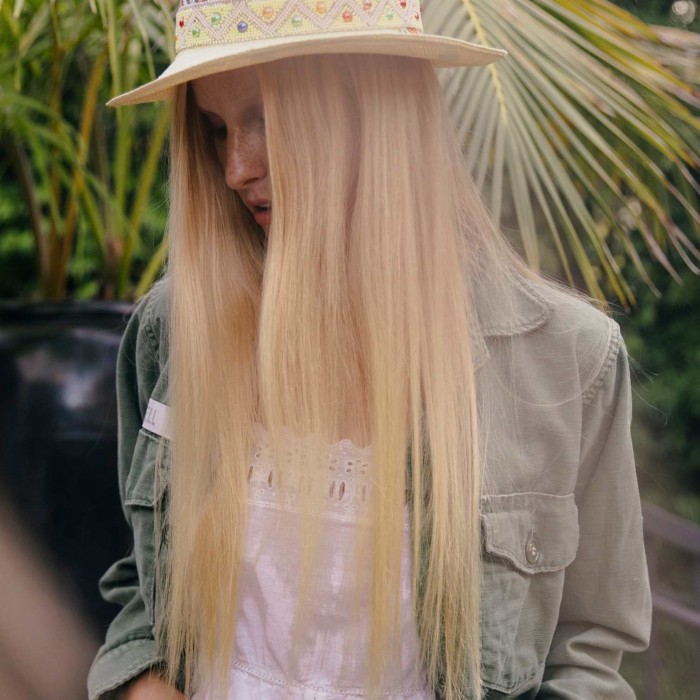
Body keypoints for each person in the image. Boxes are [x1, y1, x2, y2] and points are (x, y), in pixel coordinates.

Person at [87, 1, 652, 699]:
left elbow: (588, 656)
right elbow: (141, 590)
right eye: (214, 129)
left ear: (375, 106)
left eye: (265, 117)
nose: (234, 168)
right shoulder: (174, 330)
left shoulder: (568, 360)